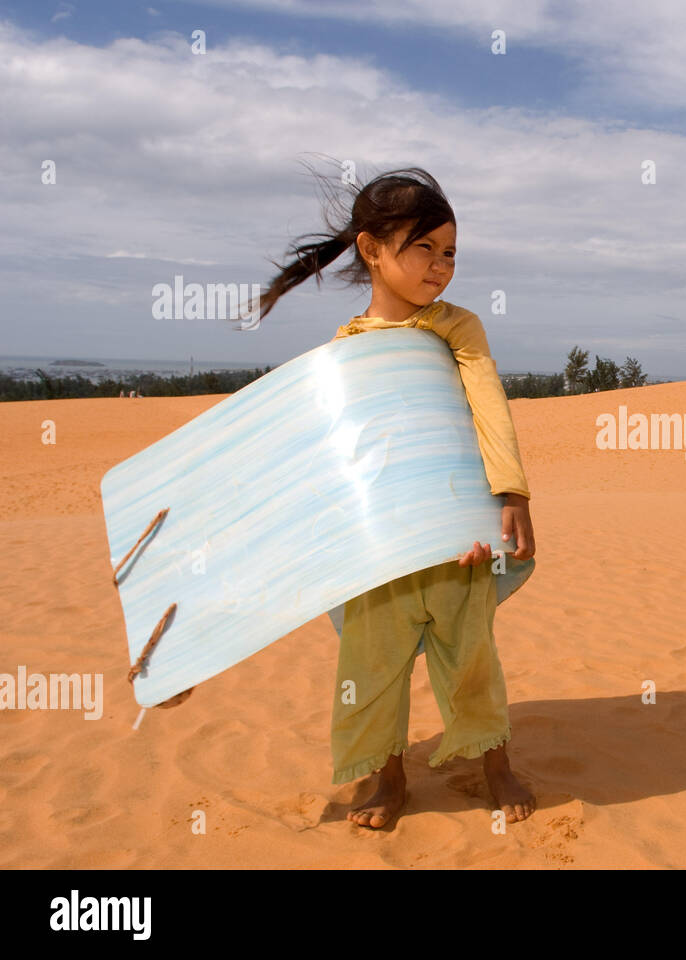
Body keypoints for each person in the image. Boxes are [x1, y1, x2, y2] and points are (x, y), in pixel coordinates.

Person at [254, 164, 537, 827]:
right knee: (371, 668)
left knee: (472, 660)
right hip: (378, 549)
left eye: (450, 254)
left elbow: (489, 406)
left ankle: (496, 765)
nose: (441, 266)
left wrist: (510, 493)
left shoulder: (456, 328)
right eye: (424, 248)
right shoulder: (344, 351)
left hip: (454, 540)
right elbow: (338, 454)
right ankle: (388, 780)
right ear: (370, 248)